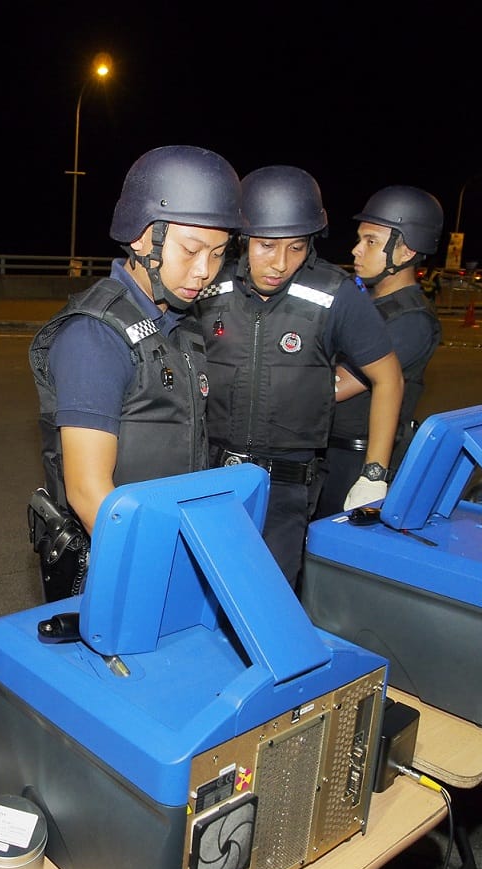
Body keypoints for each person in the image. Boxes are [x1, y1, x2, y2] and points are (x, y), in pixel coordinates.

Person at [28, 145, 240, 600]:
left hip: (171, 549)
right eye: (191, 250)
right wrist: (155, 569)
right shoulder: (96, 336)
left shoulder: (178, 326)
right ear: (143, 236)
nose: (204, 271)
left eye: (219, 254)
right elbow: (88, 492)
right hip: (122, 564)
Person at [193, 166, 402, 589]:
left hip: (285, 493)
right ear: (243, 239)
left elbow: (389, 378)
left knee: (269, 606)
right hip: (209, 478)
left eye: (296, 247)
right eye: (267, 246)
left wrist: (374, 473)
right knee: (202, 600)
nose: (280, 263)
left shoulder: (334, 294)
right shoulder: (208, 285)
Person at [315, 186, 444, 518]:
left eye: (371, 241)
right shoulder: (370, 304)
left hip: (355, 463)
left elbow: (335, 386)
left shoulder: (410, 319)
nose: (357, 250)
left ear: (405, 251)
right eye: (360, 239)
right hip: (331, 454)